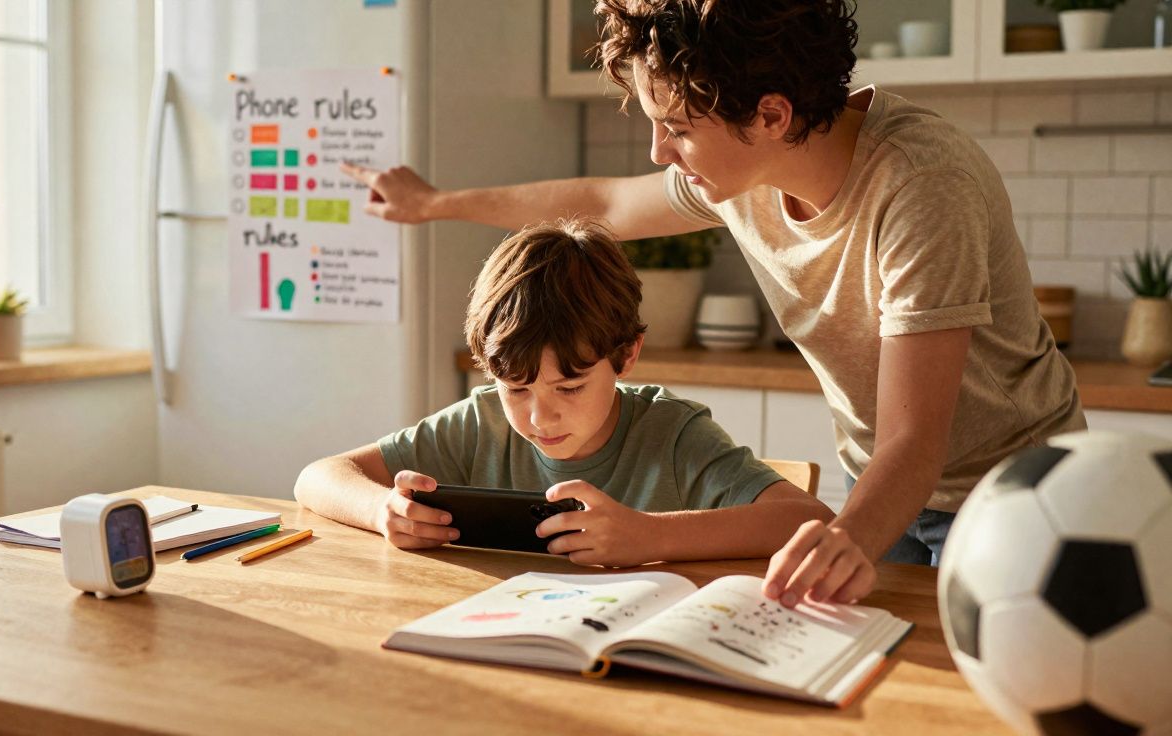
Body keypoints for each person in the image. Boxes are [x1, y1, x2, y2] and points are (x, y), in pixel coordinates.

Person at [336, 0, 1085, 606]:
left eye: (678, 129)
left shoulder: (922, 186)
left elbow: (917, 439)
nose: (661, 151)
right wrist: (434, 203)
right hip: (882, 484)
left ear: (771, 116)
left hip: (1014, 491)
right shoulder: (742, 173)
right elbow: (600, 200)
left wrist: (844, 535)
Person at [294, 220, 832, 566]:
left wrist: (650, 536)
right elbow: (318, 476)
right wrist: (382, 510)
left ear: (627, 354)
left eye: (570, 386)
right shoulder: (482, 423)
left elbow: (810, 522)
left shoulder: (671, 435)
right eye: (516, 387)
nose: (538, 415)